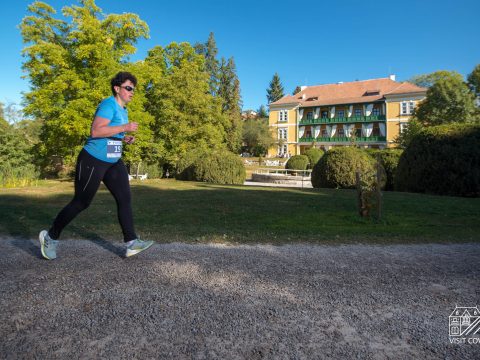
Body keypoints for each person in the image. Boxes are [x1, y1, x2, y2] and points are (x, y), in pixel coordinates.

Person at [39, 72, 154, 259]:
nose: (132, 92)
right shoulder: (109, 104)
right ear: (117, 89)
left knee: (124, 198)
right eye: (129, 88)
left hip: (113, 161)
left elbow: (110, 132)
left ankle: (131, 242)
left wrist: (123, 137)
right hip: (93, 159)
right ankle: (50, 237)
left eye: (134, 89)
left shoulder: (123, 110)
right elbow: (96, 131)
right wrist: (124, 128)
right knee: (81, 202)